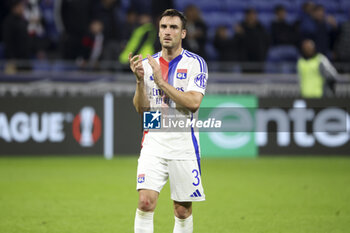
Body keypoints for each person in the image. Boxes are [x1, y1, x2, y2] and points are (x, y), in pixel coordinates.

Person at [129, 9, 208, 233]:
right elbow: (143, 112)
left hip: (184, 144)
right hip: (153, 140)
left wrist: (161, 83)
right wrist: (139, 82)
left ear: (183, 33)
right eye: (163, 27)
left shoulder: (196, 64)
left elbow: (193, 103)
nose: (167, 32)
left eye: (173, 27)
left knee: (182, 210)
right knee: (145, 202)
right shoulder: (147, 64)